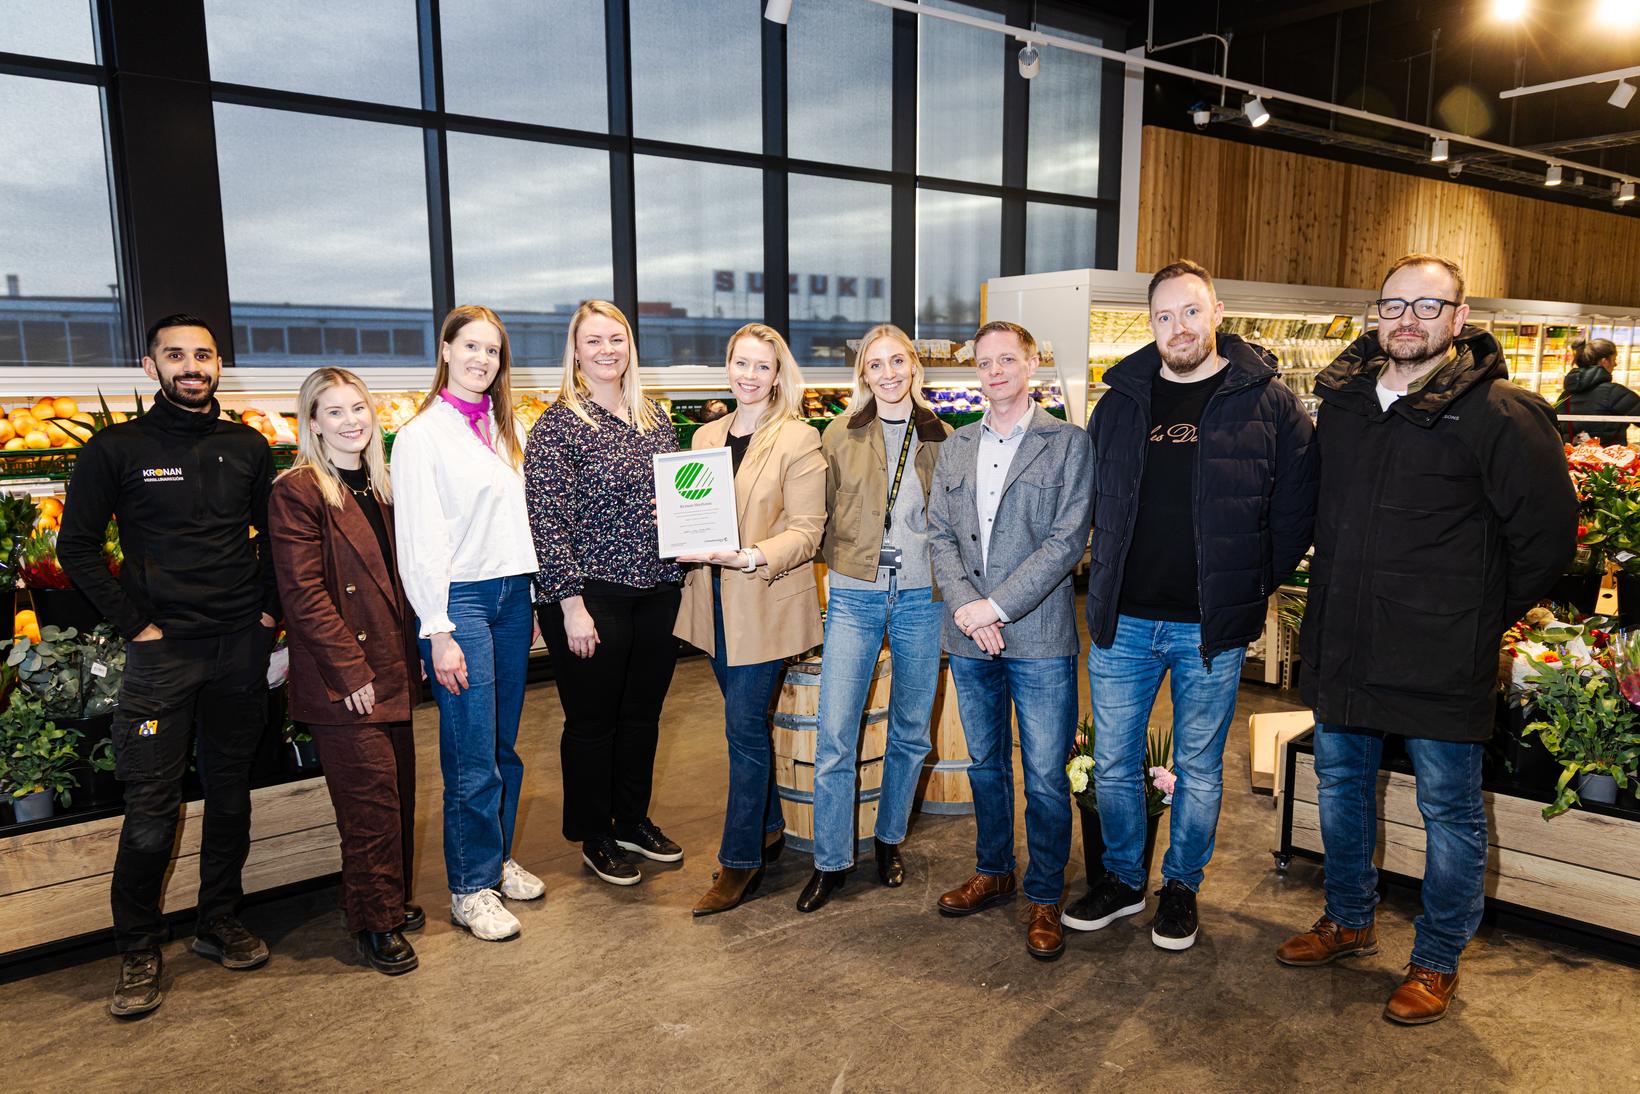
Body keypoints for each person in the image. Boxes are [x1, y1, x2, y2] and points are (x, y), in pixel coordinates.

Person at [1277, 254, 1576, 1024]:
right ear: (1377, 314)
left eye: (1427, 305)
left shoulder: (1502, 413)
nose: (1407, 319)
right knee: (1340, 785)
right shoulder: (1345, 403)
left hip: (1441, 652)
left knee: (1449, 809)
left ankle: (1437, 959)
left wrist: (1472, 612)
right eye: (1394, 304)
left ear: (1459, 316)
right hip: (1346, 640)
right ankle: (1348, 919)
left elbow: (1547, 540)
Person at [1073, 260, 1317, 950]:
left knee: (1200, 768)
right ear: (1150, 323)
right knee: (1114, 763)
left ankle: (1181, 887)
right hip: (1122, 620)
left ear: (1216, 314)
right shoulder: (1120, 401)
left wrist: (1248, 584)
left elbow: (1297, 512)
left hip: (1209, 628)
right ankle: (1124, 880)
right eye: (1164, 315)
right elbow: (1095, 501)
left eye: (1190, 311)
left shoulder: (1270, 404)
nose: (1178, 327)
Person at [58, 313, 279, 1018]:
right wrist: (139, 626)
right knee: (151, 811)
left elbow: (275, 539)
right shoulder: (115, 449)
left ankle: (219, 920)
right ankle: (138, 948)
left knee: (231, 795)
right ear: (150, 366)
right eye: (176, 355)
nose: (192, 367)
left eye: (203, 355)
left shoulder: (247, 446)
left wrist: (268, 615)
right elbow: (76, 547)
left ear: (219, 365)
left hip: (238, 648)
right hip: (163, 657)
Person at [927, 320, 1093, 961]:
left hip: (1040, 637)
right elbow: (940, 535)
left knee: (1046, 775)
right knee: (986, 763)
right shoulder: (957, 446)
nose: (994, 372)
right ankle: (994, 870)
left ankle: (1045, 894)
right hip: (970, 636)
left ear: (1031, 365)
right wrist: (969, 610)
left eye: (1006, 359)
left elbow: (1066, 541)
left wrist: (994, 606)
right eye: (984, 362)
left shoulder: (1068, 443)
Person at [392, 305, 544, 943]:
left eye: (493, 350)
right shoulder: (421, 436)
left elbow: (517, 521)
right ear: (446, 350)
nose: (483, 359)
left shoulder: (507, 428)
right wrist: (438, 628)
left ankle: (496, 857)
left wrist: (529, 596)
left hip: (511, 594)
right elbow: (418, 540)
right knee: (471, 749)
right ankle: (469, 888)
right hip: (461, 602)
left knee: (503, 744)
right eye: (472, 347)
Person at [526, 300, 684, 887]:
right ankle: (595, 834)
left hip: (657, 588)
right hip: (591, 596)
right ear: (575, 351)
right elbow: (547, 522)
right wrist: (570, 606)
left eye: (616, 339)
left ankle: (632, 820)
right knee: (593, 723)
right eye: (593, 341)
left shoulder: (655, 418)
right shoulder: (558, 426)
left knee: (642, 716)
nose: (606, 350)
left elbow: (681, 497)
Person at [269, 368, 421, 976]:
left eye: (358, 408)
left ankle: (385, 898)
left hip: (393, 664)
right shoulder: (299, 491)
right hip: (347, 677)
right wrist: (350, 671)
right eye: (334, 412)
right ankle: (376, 923)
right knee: (370, 804)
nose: (350, 421)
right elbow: (302, 594)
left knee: (397, 792)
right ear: (313, 424)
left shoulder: (383, 486)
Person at [797, 324, 952, 912]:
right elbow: (818, 514)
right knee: (836, 733)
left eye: (897, 361)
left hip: (921, 599)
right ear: (862, 373)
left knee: (911, 731)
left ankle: (889, 840)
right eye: (875, 364)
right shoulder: (838, 433)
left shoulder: (940, 434)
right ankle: (831, 861)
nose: (888, 374)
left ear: (914, 366)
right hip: (855, 596)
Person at [675, 323, 825, 917]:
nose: (750, 375)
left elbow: (808, 532)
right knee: (747, 726)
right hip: (711, 604)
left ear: (778, 374)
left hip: (764, 603)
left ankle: (740, 862)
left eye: (763, 366)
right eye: (742, 363)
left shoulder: (799, 438)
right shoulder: (706, 434)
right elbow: (694, 507)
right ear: (728, 366)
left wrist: (751, 555)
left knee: (742, 730)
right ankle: (768, 827)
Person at [1557, 336, 1638, 446]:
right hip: (1608, 456)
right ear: (1604, 361)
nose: (1615, 364)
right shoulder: (1614, 392)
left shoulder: (1564, 396)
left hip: (1571, 455)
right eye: (1614, 359)